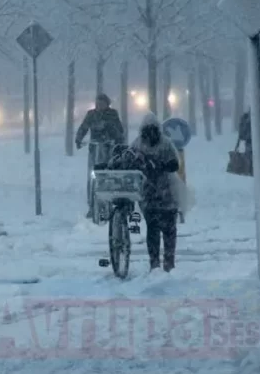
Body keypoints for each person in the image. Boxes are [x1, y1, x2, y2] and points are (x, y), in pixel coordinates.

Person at [127, 112, 181, 272]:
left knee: (156, 230)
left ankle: (158, 262)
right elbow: (174, 164)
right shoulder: (164, 143)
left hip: (157, 193)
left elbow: (174, 165)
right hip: (159, 194)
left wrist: (156, 166)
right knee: (165, 230)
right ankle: (165, 262)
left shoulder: (140, 144)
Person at [75, 94, 126, 218]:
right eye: (97, 104)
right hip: (95, 150)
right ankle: (92, 205)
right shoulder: (91, 115)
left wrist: (110, 130)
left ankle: (111, 201)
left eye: (102, 103)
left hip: (109, 150)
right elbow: (84, 127)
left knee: (109, 174)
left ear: (107, 104)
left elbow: (119, 131)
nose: (99, 106)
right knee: (92, 176)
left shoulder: (112, 114)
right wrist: (78, 139)